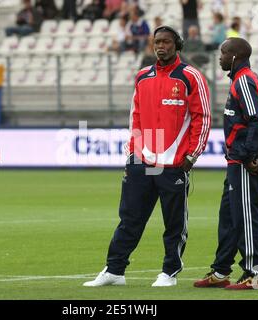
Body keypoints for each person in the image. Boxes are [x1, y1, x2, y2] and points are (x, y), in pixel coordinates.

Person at [84, 25, 211, 287]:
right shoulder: (143, 76)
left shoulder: (190, 76)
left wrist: (192, 155)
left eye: (166, 42)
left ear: (177, 45)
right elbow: (136, 117)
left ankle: (169, 272)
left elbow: (203, 117)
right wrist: (132, 152)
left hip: (174, 161)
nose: (160, 46)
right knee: (130, 218)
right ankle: (115, 270)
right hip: (142, 160)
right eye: (157, 42)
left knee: (173, 222)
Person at [194, 37, 258, 290]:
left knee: (246, 217)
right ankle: (220, 270)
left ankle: (253, 273)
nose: (220, 57)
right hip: (236, 159)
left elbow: (257, 121)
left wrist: (250, 155)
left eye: (223, 52)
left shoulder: (245, 81)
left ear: (235, 57)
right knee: (228, 216)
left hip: (245, 161)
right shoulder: (239, 80)